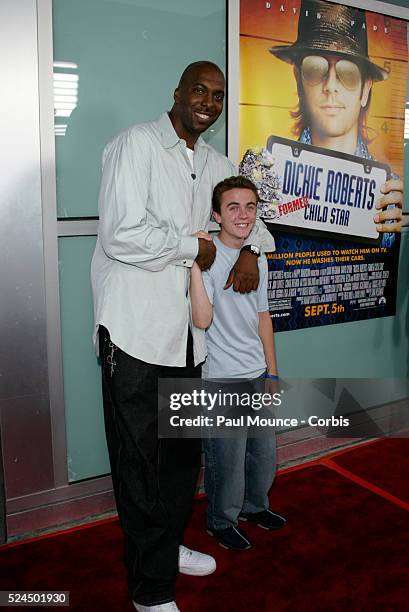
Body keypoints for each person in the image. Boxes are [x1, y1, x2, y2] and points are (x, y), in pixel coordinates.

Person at [91, 61, 275, 612]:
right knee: (137, 462)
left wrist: (243, 249)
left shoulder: (217, 164)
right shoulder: (135, 145)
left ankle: (165, 547)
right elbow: (122, 234)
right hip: (134, 332)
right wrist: (195, 247)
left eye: (218, 95)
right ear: (176, 93)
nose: (209, 101)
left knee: (177, 461)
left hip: (192, 340)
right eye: (199, 90)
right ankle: (149, 591)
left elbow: (253, 223)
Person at [189, 176, 286, 551]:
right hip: (222, 379)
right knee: (226, 463)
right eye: (233, 207)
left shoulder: (256, 255)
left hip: (257, 372)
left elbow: (264, 316)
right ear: (217, 214)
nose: (243, 214)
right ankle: (221, 520)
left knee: (263, 455)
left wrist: (272, 370)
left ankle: (254, 507)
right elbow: (202, 319)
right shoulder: (210, 257)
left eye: (250, 206)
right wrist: (196, 267)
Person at [268, 0, 403, 236]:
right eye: (315, 69)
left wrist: (390, 237)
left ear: (365, 89)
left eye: (348, 73)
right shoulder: (267, 171)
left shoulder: (387, 191)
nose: (330, 86)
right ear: (298, 80)